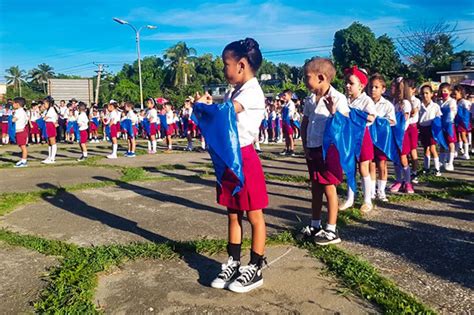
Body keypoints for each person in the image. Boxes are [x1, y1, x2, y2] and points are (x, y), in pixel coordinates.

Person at [203, 38, 268, 293]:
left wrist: (204, 107)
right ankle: (233, 261)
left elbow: (226, 114)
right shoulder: (236, 91)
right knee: (232, 211)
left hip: (244, 157)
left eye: (226, 64)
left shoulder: (252, 91)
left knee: (254, 215)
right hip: (230, 159)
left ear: (241, 65)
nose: (224, 70)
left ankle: (255, 265)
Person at [299, 57, 349, 244]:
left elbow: (343, 126)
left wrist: (334, 111)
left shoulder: (338, 98)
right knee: (316, 187)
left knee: (329, 187)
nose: (304, 81)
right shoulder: (310, 100)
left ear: (321, 77)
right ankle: (315, 224)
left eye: (307, 77)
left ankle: (331, 229)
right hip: (312, 148)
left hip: (328, 151)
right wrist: (305, 146)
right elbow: (305, 124)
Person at [339, 66, 377, 213]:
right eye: (347, 83)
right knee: (350, 168)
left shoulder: (366, 101)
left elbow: (372, 117)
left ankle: (367, 200)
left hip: (362, 138)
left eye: (351, 83)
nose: (347, 86)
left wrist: (355, 114)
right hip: (348, 137)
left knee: (363, 168)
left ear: (361, 85)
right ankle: (350, 198)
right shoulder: (345, 100)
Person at [368, 74, 396, 202]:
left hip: (382, 139)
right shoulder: (366, 103)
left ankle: (381, 191)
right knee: (371, 165)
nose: (373, 89)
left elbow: (392, 121)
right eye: (371, 87)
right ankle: (372, 191)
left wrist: (379, 121)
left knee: (382, 165)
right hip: (369, 138)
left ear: (383, 89)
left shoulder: (387, 105)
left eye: (376, 87)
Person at [390, 79, 414, 193]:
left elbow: (404, 119)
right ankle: (398, 180)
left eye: (396, 87)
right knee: (396, 159)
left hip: (402, 134)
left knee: (403, 158)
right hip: (394, 133)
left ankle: (408, 182)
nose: (393, 89)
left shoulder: (406, 103)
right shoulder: (393, 102)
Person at [418, 85, 442, 176]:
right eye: (423, 93)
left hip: (431, 129)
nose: (425, 95)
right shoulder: (420, 105)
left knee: (432, 148)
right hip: (423, 128)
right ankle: (426, 167)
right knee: (425, 148)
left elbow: (439, 117)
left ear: (431, 94)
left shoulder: (435, 106)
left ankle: (437, 169)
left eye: (427, 93)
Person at [438, 83, 457, 171]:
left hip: (449, 124)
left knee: (450, 143)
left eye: (445, 91)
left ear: (449, 92)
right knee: (442, 143)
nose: (443, 92)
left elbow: (453, 113)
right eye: (441, 91)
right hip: (441, 125)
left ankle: (450, 162)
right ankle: (442, 161)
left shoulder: (452, 101)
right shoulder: (439, 102)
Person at [406, 79, 421, 183]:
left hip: (412, 126)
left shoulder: (415, 100)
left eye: (408, 88)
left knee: (413, 150)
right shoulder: (403, 100)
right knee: (404, 151)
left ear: (413, 90)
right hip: (404, 127)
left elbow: (413, 112)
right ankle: (406, 172)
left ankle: (415, 172)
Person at [453, 84, 471, 159]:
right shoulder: (457, 102)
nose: (454, 95)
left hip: (463, 122)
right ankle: (456, 152)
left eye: (455, 94)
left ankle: (466, 153)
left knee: (463, 136)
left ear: (460, 93)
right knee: (458, 137)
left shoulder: (464, 102)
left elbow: (467, 112)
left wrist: (465, 122)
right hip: (458, 122)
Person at [12, 97, 29, 167]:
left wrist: (11, 118)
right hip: (21, 130)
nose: (13, 104)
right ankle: (23, 160)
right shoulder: (22, 111)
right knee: (21, 146)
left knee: (23, 146)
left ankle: (24, 161)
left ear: (17, 104)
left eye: (14, 103)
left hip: (20, 131)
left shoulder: (19, 112)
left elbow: (13, 120)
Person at [42, 96, 59, 164]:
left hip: (50, 125)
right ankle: (49, 156)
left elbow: (44, 118)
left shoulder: (51, 109)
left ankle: (52, 158)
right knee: (49, 142)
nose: (44, 105)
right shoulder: (48, 110)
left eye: (45, 103)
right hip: (47, 125)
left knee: (52, 141)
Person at [280, 89, 296, 156]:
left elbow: (290, 114)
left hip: (289, 121)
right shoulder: (286, 104)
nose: (284, 96)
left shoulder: (291, 104)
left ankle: (292, 149)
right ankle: (287, 148)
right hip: (284, 121)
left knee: (290, 135)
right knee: (286, 136)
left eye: (285, 95)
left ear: (289, 96)